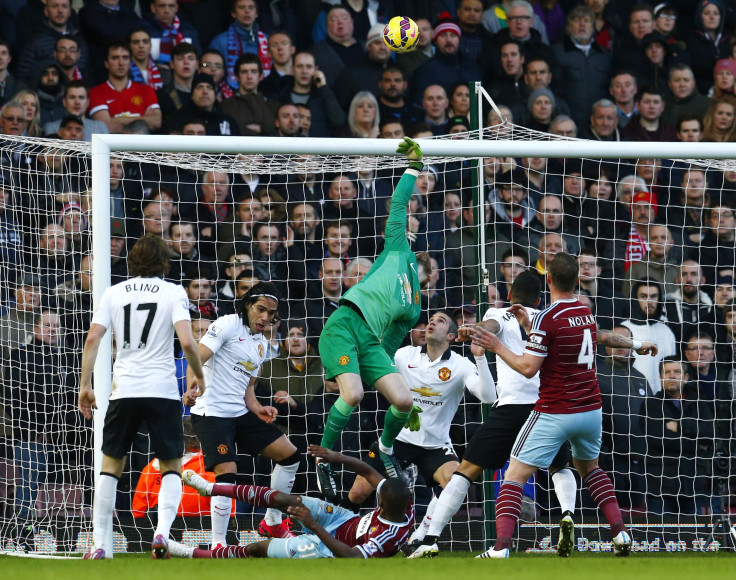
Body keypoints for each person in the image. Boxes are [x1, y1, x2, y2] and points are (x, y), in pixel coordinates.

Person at [468, 253, 657, 558]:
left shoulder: (547, 318)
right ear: (578, 280)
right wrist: (636, 345)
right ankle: (620, 532)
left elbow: (528, 367)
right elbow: (597, 336)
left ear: (550, 280)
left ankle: (500, 548)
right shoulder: (584, 313)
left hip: (557, 410)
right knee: (590, 469)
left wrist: (497, 346)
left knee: (513, 475)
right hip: (591, 410)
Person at [406, 272, 579, 558]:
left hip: (510, 408)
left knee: (466, 471)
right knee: (560, 466)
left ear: (510, 295)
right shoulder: (549, 320)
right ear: (540, 299)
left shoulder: (501, 313)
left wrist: (474, 328)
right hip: (544, 408)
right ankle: (568, 514)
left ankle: (431, 538)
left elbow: (491, 325)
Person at [315, 137, 432, 497]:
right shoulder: (397, 247)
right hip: (345, 323)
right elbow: (398, 203)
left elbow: (391, 344)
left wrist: (381, 370)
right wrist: (413, 167)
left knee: (403, 401)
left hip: (369, 342)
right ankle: (323, 462)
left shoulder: (414, 308)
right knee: (352, 395)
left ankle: (385, 447)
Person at [78, 234, 206, 559]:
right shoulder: (174, 292)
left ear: (132, 260)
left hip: (125, 389)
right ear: (164, 261)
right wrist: (198, 377)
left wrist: (85, 385)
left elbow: (93, 338)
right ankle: (162, 533)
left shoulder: (114, 292)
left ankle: (100, 545)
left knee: (110, 465)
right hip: (162, 390)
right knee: (171, 466)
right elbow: (189, 343)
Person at [345, 310, 495, 524]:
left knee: (455, 488)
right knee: (358, 492)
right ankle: (339, 530)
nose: (432, 323)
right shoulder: (405, 355)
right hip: (397, 440)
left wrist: (479, 356)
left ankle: (423, 536)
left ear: (451, 336)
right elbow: (373, 371)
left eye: (440, 321)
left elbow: (489, 397)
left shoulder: (461, 365)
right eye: (430, 320)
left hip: (436, 445)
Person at [182, 282, 302, 545]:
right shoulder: (227, 324)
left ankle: (272, 522)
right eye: (261, 310)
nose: (265, 318)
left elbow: (247, 387)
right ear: (247, 304)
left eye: (271, 314)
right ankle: (218, 543)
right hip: (211, 413)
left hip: (240, 413)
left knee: (291, 456)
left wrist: (258, 407)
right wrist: (192, 386)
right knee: (228, 475)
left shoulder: (261, 344)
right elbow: (196, 357)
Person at [168, 444, 413, 559]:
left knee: (258, 549)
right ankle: (211, 488)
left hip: (330, 548)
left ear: (383, 505)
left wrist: (314, 526)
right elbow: (370, 472)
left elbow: (353, 558)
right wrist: (335, 456)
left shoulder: (387, 536)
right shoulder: (403, 503)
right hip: (343, 519)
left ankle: (192, 554)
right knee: (288, 501)